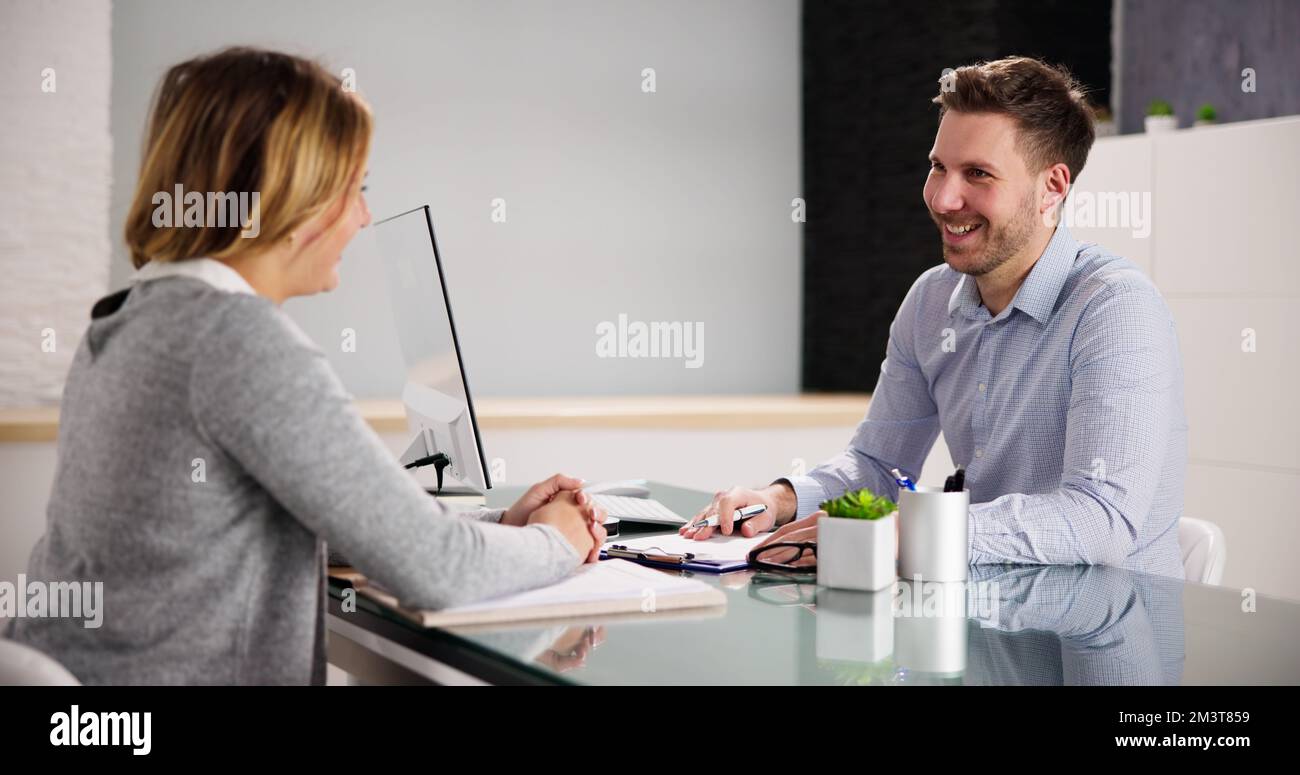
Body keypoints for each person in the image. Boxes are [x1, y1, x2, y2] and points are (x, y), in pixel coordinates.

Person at [6, 47, 605, 684]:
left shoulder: (128, 319)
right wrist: (558, 541)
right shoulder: (238, 342)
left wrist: (501, 523)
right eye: (355, 189)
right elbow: (438, 571)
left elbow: (318, 521)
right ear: (293, 199)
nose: (364, 216)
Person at [685, 57, 1186, 580]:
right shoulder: (930, 301)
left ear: (1052, 188)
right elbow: (880, 466)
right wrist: (781, 499)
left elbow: (1100, 518)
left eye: (978, 174)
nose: (944, 198)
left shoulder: (1114, 308)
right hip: (983, 619)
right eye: (938, 167)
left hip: (1104, 636)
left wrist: (913, 530)